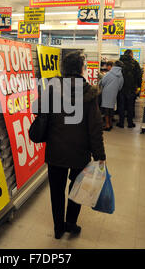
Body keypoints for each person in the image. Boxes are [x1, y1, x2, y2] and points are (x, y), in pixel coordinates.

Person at [36, 51, 106, 239]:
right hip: (80, 153)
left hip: (55, 151)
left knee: (56, 192)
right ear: (82, 69)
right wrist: (99, 155)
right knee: (76, 189)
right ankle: (71, 224)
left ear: (63, 69)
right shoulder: (90, 93)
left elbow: (41, 113)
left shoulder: (51, 89)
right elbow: (95, 128)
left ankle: (58, 228)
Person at [117, 49, 142, 128]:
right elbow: (139, 76)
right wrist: (139, 86)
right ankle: (130, 123)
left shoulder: (118, 63)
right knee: (130, 106)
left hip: (120, 88)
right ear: (131, 54)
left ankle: (121, 123)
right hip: (131, 88)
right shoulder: (135, 63)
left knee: (121, 105)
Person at [99, 60, 124, 131]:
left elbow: (103, 82)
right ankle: (110, 123)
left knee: (106, 110)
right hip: (114, 93)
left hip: (106, 93)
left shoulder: (109, 73)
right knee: (111, 110)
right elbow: (120, 86)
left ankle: (107, 125)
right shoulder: (121, 75)